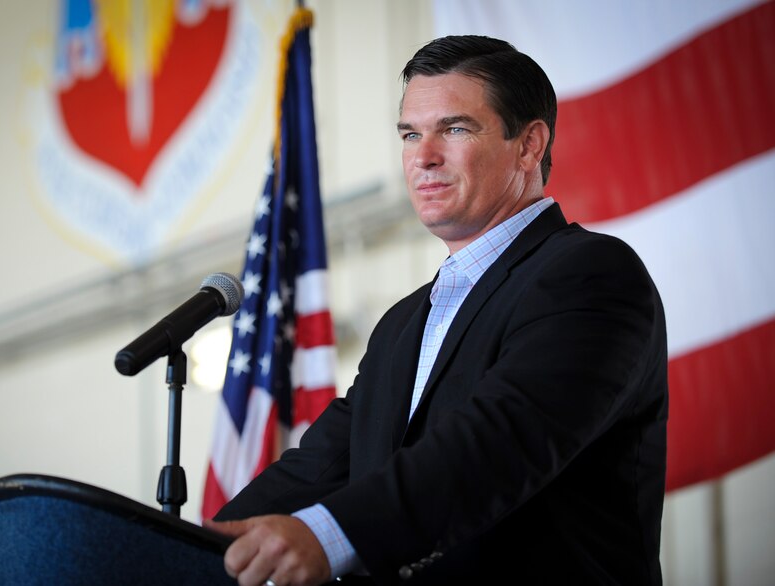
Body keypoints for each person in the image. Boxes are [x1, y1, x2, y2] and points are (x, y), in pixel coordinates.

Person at [205, 35, 668, 585]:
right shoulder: (402, 323)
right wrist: (184, 548)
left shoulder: (591, 274)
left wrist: (332, 535)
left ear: (529, 145)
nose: (423, 157)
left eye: (454, 129)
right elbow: (321, 466)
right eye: (409, 134)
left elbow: (499, 443)